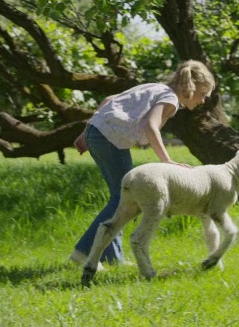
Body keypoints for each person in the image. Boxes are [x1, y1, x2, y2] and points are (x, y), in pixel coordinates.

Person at [69, 60, 216, 266]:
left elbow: (109, 100)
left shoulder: (154, 87)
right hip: (110, 139)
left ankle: (112, 257)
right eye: (203, 94)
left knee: (121, 197)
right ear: (191, 88)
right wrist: (168, 161)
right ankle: (84, 251)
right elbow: (150, 126)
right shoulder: (170, 99)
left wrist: (86, 133)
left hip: (97, 133)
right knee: (125, 198)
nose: (203, 101)